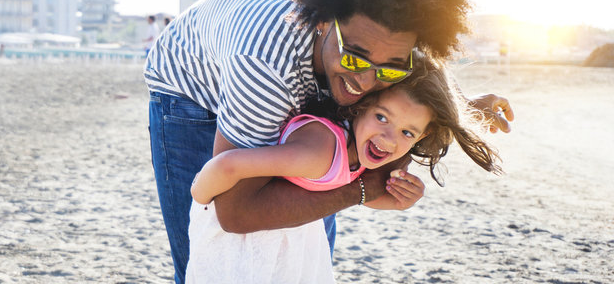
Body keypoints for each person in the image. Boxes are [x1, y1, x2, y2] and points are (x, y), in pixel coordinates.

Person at [144, 0, 514, 282]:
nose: (367, 83)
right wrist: (361, 189)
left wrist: (458, 109)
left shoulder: (385, 33)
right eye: (355, 58)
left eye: (391, 68)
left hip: (290, 71)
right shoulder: (264, 65)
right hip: (193, 90)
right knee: (207, 256)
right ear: (322, 21)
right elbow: (235, 213)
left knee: (306, 249)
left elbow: (410, 85)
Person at [186, 52, 501, 282]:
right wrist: (199, 198)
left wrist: (395, 201)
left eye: (407, 132)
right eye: (382, 118)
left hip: (294, 234)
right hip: (241, 241)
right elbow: (229, 165)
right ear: (362, 105)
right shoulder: (319, 152)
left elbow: (352, 189)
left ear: (423, 136)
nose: (389, 139)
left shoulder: (361, 149)